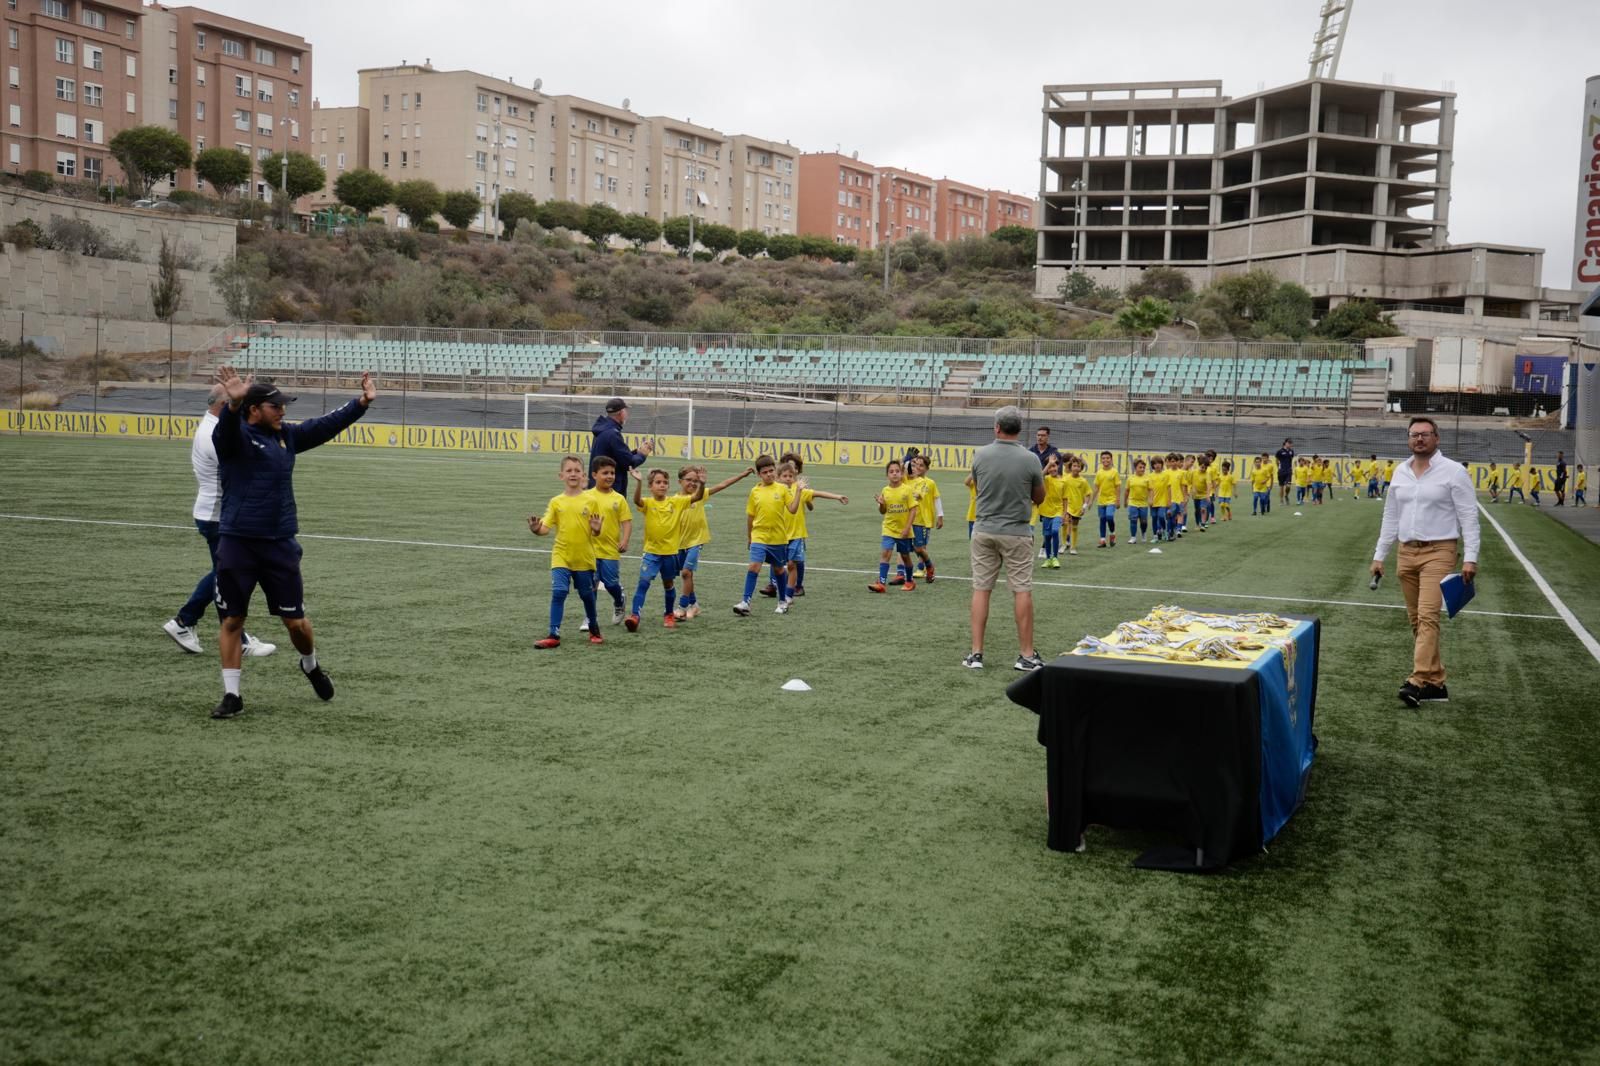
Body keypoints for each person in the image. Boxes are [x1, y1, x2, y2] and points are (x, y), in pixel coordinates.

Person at [207, 368, 375, 719]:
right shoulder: (235, 437)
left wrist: (360, 403)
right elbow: (224, 433)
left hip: (279, 544)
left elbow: (323, 425)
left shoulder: (286, 436)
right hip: (238, 542)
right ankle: (232, 694)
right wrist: (233, 406)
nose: (283, 411)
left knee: (296, 623)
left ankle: (310, 664)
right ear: (254, 409)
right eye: (276, 406)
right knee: (232, 621)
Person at [1371, 416, 1480, 708]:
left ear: (1436, 438)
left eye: (1425, 434)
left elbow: (1469, 516)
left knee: (1428, 616)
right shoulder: (1400, 472)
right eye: (1414, 434)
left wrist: (1470, 557)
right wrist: (1379, 555)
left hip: (1440, 551)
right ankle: (1436, 682)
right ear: (1409, 439)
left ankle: (1417, 680)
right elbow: (1391, 516)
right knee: (1416, 621)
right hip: (1406, 552)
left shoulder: (1454, 472)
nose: (1419, 439)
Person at [162, 385, 276, 661]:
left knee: (225, 574)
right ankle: (221, 633)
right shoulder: (214, 433)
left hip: (215, 513)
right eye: (236, 402)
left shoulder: (212, 426)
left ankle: (187, 621)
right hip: (217, 516)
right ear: (225, 404)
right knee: (228, 577)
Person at [965, 406, 1046, 672]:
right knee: (1021, 590)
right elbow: (1039, 498)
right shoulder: (1031, 459)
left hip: (985, 529)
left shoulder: (981, 454)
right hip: (1016, 531)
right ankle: (1025, 654)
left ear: (997, 427)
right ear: (1020, 429)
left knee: (981, 589)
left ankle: (976, 653)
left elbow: (977, 485)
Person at [529, 455, 604, 649]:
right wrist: (537, 529)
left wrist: (596, 528)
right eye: (569, 470)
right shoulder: (556, 502)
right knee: (559, 591)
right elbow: (545, 528)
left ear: (584, 476)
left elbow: (596, 532)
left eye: (577, 470)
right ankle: (553, 634)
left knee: (587, 595)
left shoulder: (591, 500)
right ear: (561, 475)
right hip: (561, 554)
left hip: (584, 557)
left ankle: (594, 627)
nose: (573, 474)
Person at [675, 464, 752, 619]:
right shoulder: (674, 500)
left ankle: (682, 607)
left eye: (695, 480)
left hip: (697, 541)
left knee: (686, 573)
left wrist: (742, 475)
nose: (692, 483)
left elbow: (723, 484)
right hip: (680, 543)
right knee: (687, 576)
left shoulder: (700, 495)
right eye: (689, 480)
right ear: (680, 481)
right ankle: (694, 605)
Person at [627, 467, 696, 630]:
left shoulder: (676, 502)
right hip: (651, 552)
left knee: (668, 585)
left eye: (665, 482)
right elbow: (637, 501)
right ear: (650, 486)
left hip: (670, 554)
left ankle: (668, 614)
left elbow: (697, 497)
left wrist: (701, 481)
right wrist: (638, 482)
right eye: (658, 482)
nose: (662, 485)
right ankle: (635, 616)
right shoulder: (648, 503)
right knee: (643, 583)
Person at [734, 454, 802, 616]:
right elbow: (750, 516)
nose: (769, 474)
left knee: (779, 570)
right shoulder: (755, 492)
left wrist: (798, 491)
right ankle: (745, 602)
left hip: (778, 538)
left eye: (772, 471)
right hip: (759, 536)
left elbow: (792, 509)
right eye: (765, 472)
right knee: (754, 567)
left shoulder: (782, 489)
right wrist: (750, 537)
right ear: (759, 474)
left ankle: (782, 601)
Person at [777, 458, 847, 600]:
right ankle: (780, 588)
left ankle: (791, 592)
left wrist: (837, 496)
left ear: (795, 477)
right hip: (780, 535)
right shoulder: (776, 492)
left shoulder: (800, 491)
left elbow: (819, 493)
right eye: (784, 476)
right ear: (778, 478)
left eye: (790, 476)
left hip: (797, 534)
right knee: (778, 564)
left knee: (792, 563)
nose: (788, 479)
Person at [578, 456, 632, 633]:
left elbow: (626, 522)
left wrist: (624, 540)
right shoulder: (585, 496)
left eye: (612, 473)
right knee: (590, 585)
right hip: (589, 549)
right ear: (594, 475)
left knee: (610, 584)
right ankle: (590, 617)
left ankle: (619, 600)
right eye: (605, 473)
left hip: (610, 550)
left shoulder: (619, 499)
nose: (609, 476)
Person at [869, 459, 921, 593]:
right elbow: (883, 511)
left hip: (904, 530)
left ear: (902, 473)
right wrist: (881, 504)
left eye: (897, 471)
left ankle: (909, 581)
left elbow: (913, 510)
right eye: (891, 472)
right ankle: (881, 583)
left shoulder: (907, 490)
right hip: (888, 528)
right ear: (887, 475)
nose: (894, 474)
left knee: (905, 557)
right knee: (886, 553)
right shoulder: (885, 490)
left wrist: (907, 528)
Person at [588, 397, 654, 489]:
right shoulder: (612, 434)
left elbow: (617, 458)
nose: (627, 413)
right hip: (609, 490)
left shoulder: (604, 430)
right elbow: (628, 463)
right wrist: (642, 455)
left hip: (600, 486)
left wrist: (637, 452)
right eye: (625, 410)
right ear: (621, 413)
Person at [901, 454, 942, 582]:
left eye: (921, 465)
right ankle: (902, 573)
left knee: (920, 547)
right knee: (905, 548)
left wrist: (940, 515)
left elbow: (935, 498)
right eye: (915, 464)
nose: (917, 467)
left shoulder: (927, 483)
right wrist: (906, 459)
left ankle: (924, 567)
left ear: (926, 468)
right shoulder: (907, 479)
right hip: (907, 519)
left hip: (923, 520)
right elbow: (900, 469)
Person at [1036, 455, 1065, 567]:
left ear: (1058, 466)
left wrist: (1065, 513)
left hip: (1058, 511)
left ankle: (1055, 558)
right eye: (1050, 467)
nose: (1052, 469)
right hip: (1045, 512)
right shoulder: (1046, 479)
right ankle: (1048, 559)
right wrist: (1048, 463)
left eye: (1054, 466)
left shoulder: (1063, 481)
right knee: (1047, 537)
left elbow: (1065, 498)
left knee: (1054, 531)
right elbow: (1039, 475)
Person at [1093, 450, 1121, 548]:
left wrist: (1117, 500)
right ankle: (1102, 540)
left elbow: (1118, 486)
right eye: (1103, 458)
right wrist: (1091, 500)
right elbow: (1096, 486)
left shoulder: (1114, 472)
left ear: (1111, 459)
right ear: (1101, 460)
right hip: (1101, 500)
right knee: (1102, 519)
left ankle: (1112, 534)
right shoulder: (1099, 472)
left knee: (1109, 517)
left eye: (1108, 458)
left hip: (1111, 500)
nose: (1106, 460)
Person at [1124, 457, 1151, 544]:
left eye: (1143, 467)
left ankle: (1143, 533)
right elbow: (1127, 490)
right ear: (1135, 468)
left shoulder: (1147, 479)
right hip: (1133, 503)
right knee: (1133, 520)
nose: (1142, 469)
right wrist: (1125, 501)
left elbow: (1151, 490)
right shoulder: (1130, 478)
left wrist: (1150, 499)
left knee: (1143, 521)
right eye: (1140, 467)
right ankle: (1133, 537)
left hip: (1143, 503)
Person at [1275, 438, 1296, 505]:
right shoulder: (1280, 451)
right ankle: (1281, 500)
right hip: (1281, 471)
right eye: (1289, 443)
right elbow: (1277, 460)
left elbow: (1291, 459)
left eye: (1291, 443)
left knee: (1288, 486)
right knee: (1281, 486)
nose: (1290, 444)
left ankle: (1286, 495)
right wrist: (1279, 467)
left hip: (1288, 471)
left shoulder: (1291, 451)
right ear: (1285, 443)